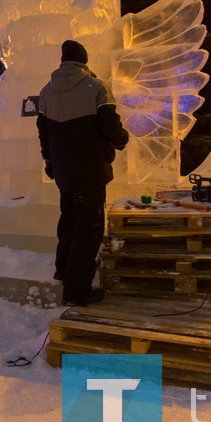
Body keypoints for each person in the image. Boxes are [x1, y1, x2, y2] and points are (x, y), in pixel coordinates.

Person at [37, 40, 129, 307]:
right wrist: (122, 139)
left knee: (69, 218)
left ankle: (62, 269)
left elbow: (43, 131)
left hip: (63, 171)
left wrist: (49, 160)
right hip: (90, 169)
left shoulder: (46, 91)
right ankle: (77, 291)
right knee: (89, 228)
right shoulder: (96, 88)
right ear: (84, 61)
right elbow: (110, 127)